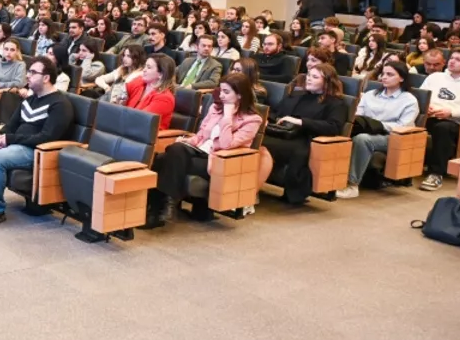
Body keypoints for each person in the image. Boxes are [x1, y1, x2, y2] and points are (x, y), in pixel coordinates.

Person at [0, 56, 72, 227]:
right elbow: (11, 125)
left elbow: (47, 137)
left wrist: (9, 138)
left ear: (46, 78)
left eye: (33, 72)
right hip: (14, 144)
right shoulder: (30, 100)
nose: (28, 76)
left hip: (35, 150)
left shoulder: (60, 104)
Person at [149, 72, 262, 227]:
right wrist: (189, 141)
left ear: (240, 95)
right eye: (221, 91)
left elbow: (227, 144)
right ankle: (165, 206)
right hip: (198, 151)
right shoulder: (215, 109)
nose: (221, 95)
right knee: (172, 152)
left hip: (217, 159)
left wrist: (227, 117)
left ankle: (158, 209)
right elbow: (202, 134)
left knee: (165, 158)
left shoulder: (252, 120)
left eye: (226, 92)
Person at [262, 63, 349, 204]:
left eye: (315, 77)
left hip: (306, 139)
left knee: (265, 144)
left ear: (327, 82)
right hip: (283, 133)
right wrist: (266, 120)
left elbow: (333, 127)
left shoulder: (336, 103)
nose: (308, 79)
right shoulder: (298, 95)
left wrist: (300, 122)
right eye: (308, 75)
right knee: (256, 139)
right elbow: (276, 113)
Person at [337, 61, 419, 199]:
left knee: (362, 139)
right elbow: (358, 115)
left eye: (390, 74)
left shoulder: (409, 100)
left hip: (393, 137)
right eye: (383, 73)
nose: (384, 77)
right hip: (367, 130)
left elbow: (403, 126)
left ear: (402, 78)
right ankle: (333, 179)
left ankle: (352, 185)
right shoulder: (371, 94)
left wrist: (378, 125)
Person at [418, 47, 460, 191]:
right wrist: (426, 106)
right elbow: (420, 96)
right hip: (430, 116)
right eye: (452, 58)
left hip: (456, 123)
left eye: (458, 60)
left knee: (443, 128)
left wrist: (452, 112)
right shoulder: (436, 77)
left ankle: (436, 173)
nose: (452, 62)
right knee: (410, 120)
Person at [126, 54, 177, 122]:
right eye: (145, 66)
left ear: (161, 74)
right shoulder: (139, 82)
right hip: (124, 125)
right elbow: (118, 92)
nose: (144, 70)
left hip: (141, 130)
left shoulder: (164, 98)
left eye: (149, 67)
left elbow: (140, 119)